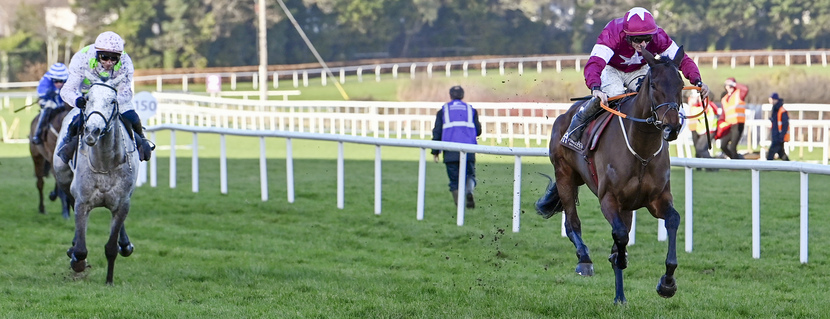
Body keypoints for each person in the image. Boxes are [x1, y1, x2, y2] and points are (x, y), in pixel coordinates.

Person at [562, 7, 711, 149]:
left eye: (647, 38)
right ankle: (579, 121)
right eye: (639, 39)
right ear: (627, 35)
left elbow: (682, 60)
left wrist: (697, 81)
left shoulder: (658, 36)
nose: (644, 44)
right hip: (611, 69)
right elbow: (595, 62)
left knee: (651, 96)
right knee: (616, 94)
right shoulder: (612, 33)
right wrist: (595, 87)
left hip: (639, 69)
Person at [58, 31, 154, 163]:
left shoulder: (126, 62)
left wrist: (111, 101)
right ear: (97, 54)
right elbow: (67, 90)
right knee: (76, 122)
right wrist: (77, 100)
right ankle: (67, 144)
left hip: (114, 98)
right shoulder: (82, 58)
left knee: (133, 118)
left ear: (119, 57)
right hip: (89, 96)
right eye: (104, 57)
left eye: (114, 58)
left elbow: (126, 93)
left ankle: (142, 141)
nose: (109, 62)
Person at [431, 86, 482, 208]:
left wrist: (435, 151)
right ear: (463, 95)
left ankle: (459, 206)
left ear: (450, 95)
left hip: (450, 150)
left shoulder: (443, 111)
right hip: (469, 149)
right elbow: (478, 130)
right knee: (470, 175)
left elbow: (437, 131)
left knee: (454, 181)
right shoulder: (471, 110)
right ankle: (469, 191)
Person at [32, 62, 69, 145]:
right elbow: (41, 92)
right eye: (56, 81)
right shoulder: (46, 79)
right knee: (48, 107)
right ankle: (38, 134)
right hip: (48, 101)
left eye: (62, 81)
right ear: (52, 79)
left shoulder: (69, 78)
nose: (59, 84)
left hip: (62, 101)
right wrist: (50, 92)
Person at [719, 77, 747, 159]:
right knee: (723, 145)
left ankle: (736, 166)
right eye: (728, 85)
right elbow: (723, 114)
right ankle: (738, 161)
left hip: (738, 124)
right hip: (729, 125)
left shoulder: (738, 94)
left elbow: (745, 89)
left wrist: (734, 83)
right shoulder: (724, 99)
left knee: (732, 147)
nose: (729, 87)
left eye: (731, 86)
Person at [687, 92, 720, 159]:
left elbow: (696, 113)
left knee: (700, 149)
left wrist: (692, 105)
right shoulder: (707, 104)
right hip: (708, 130)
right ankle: (710, 167)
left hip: (708, 130)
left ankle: (714, 163)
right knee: (702, 149)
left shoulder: (704, 104)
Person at [767, 92, 790, 161]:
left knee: (770, 154)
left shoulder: (781, 110)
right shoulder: (775, 109)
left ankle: (767, 168)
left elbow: (785, 124)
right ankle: (791, 166)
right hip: (776, 136)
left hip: (778, 137)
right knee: (781, 154)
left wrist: (781, 136)